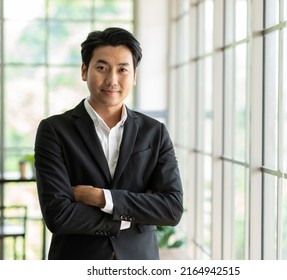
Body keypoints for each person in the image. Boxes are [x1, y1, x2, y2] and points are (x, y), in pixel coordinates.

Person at [34, 27, 183, 260]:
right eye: (102, 68)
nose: (112, 80)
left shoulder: (154, 132)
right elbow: (58, 215)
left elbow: (171, 208)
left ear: (134, 76)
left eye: (122, 69)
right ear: (85, 70)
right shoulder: (54, 130)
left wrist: (101, 198)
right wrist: (134, 214)